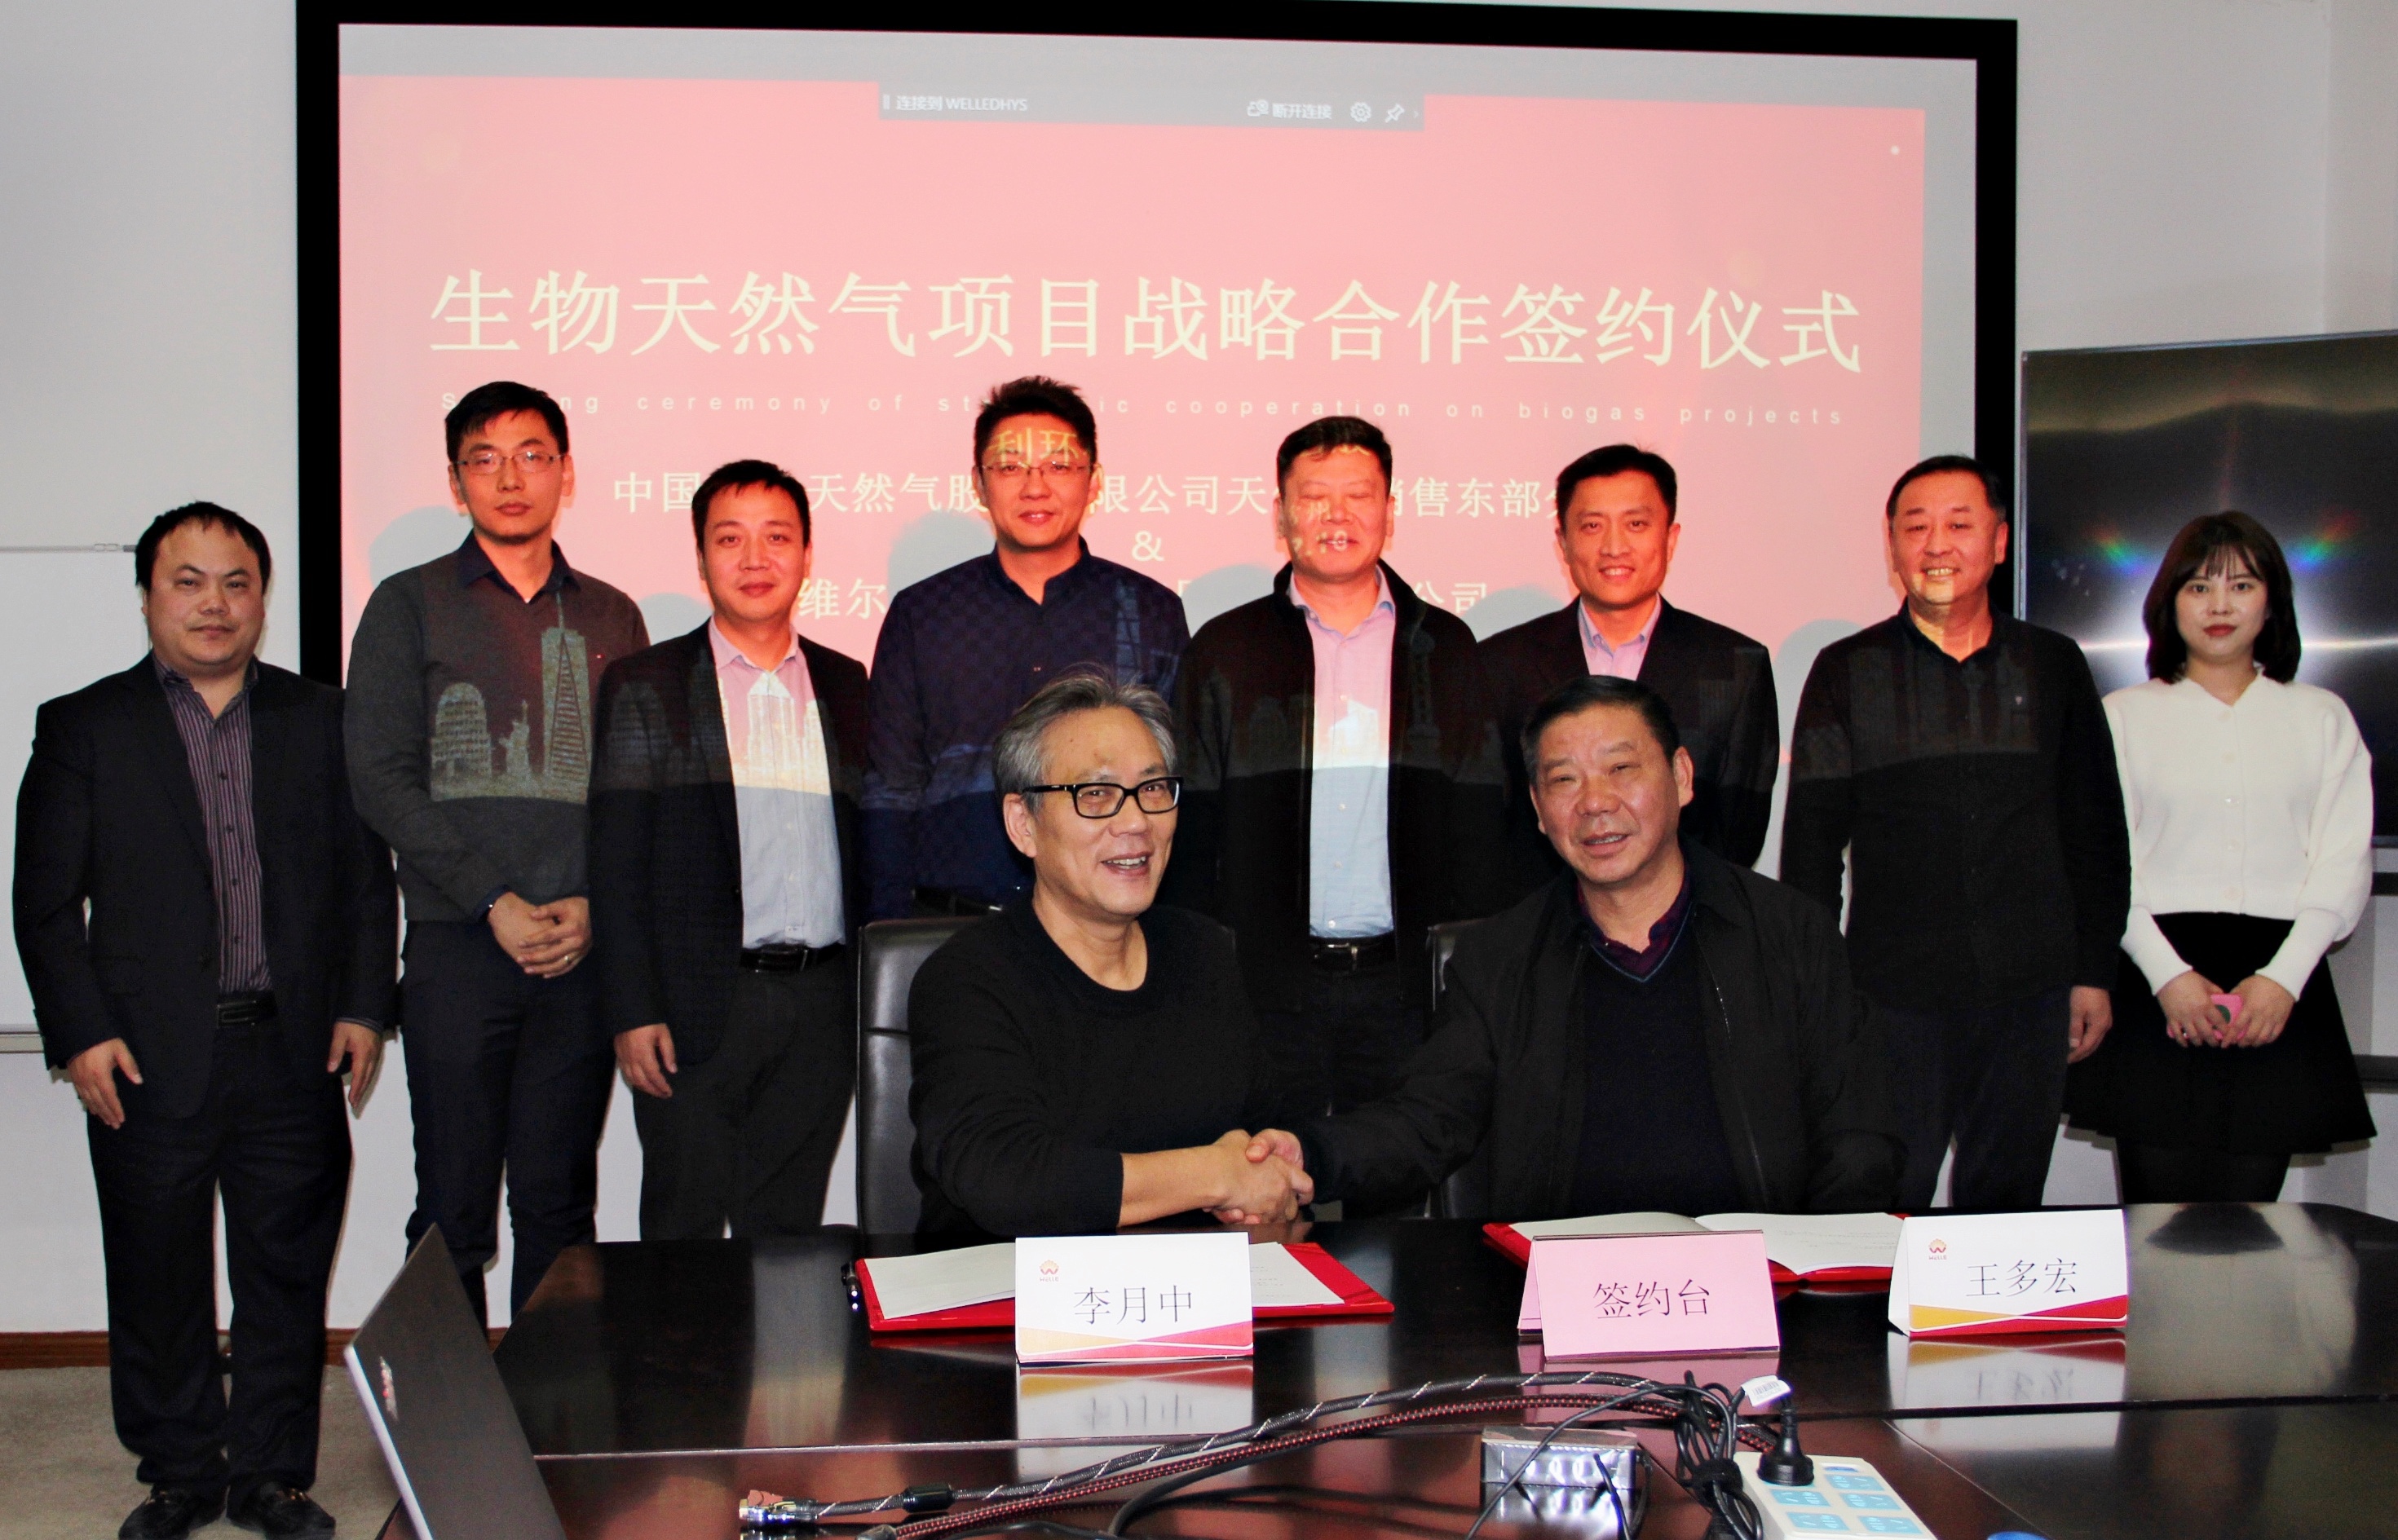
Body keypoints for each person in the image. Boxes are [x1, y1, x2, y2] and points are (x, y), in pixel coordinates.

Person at [15, 505, 395, 1540]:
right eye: (188, 581)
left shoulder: (323, 718)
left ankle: (271, 1473)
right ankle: (179, 1469)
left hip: (292, 1045)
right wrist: (80, 1032)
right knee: (156, 1270)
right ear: (148, 595)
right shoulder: (84, 725)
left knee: (284, 1272)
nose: (214, 603)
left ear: (262, 597)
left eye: (236, 581)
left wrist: (365, 1005)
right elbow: (44, 902)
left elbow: (366, 883)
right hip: (143, 1054)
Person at [1253, 675, 1898, 1220]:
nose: (1595, 802)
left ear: (1680, 776)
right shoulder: (1498, 959)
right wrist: (1307, 1155)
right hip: (1559, 1291)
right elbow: (1428, 1119)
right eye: (1564, 780)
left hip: (1752, 1283)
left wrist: (1809, 1272)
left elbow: (1857, 1135)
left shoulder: (1788, 932)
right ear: (1538, 809)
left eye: (1621, 768)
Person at [347, 380, 649, 1320]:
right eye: (484, 458)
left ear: (566, 472)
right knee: (452, 1208)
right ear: (456, 480)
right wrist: (491, 898)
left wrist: (594, 903)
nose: (510, 477)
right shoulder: (408, 603)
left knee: (559, 1207)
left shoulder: (612, 615)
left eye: (531, 455)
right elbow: (378, 775)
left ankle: (547, 1407)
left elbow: (633, 789)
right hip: (459, 949)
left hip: (577, 953)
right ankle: (440, 1412)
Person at [1782, 455, 2129, 1212]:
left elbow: (2095, 829)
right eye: (1915, 527)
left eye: (1958, 525)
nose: (1936, 544)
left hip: (2031, 988)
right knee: (1879, 1195)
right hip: (1890, 993)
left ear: (1998, 542)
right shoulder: (1847, 670)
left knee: (2005, 1203)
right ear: (1892, 548)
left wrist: (2093, 969)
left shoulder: (2052, 664)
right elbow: (1810, 845)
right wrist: (1819, 990)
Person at [1165, 417, 1504, 1132]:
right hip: (1263, 987)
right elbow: (1190, 828)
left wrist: (1464, 971)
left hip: (1407, 987)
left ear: (1390, 510)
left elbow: (1479, 825)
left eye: (1358, 495)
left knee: (1401, 1175)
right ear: (1281, 513)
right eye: (1315, 496)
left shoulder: (1445, 647)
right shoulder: (1226, 649)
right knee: (1261, 1178)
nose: (1336, 514)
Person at [908, 671, 1311, 1237]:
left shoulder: (1203, 951)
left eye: (1153, 788)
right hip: (1009, 1286)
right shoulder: (966, 979)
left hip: (1189, 1285)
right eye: (1095, 794)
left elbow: (1264, 1124)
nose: (1136, 821)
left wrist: (1273, 1156)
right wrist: (1214, 1175)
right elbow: (1007, 1178)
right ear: (1023, 824)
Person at [589, 460, 868, 1238]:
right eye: (730, 539)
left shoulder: (847, 683)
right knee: (681, 1235)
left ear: (806, 554)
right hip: (696, 1005)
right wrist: (633, 1009)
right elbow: (615, 864)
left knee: (787, 1237)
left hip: (820, 1006)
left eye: (776, 537)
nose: (754, 559)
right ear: (701, 555)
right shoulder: (648, 683)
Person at [2066, 513, 2374, 1202]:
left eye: (2240, 585)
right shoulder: (2121, 715)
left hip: (2279, 977)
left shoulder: (2321, 716)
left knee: (2253, 1229)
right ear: (2169, 602)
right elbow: (2102, 860)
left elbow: (2341, 861)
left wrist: (2282, 981)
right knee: (2155, 1225)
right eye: (2198, 586)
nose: (2219, 605)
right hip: (2155, 974)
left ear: (2270, 602)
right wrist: (2168, 976)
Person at [863, 376, 1187, 920]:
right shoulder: (923, 613)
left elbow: (1169, 784)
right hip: (954, 923)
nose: (1035, 488)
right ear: (978, 483)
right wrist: (888, 925)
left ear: (1094, 480)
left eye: (1059, 466)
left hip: (1105, 928)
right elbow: (890, 789)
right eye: (1010, 467)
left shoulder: (1151, 611)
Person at [1482, 444, 1778, 891]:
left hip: (1687, 919)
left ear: (1670, 539)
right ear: (1564, 543)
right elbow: (1492, 825)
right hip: (1542, 919)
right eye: (1592, 526)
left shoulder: (1736, 665)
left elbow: (1738, 829)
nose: (1614, 547)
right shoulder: (1500, 664)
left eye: (1636, 524)